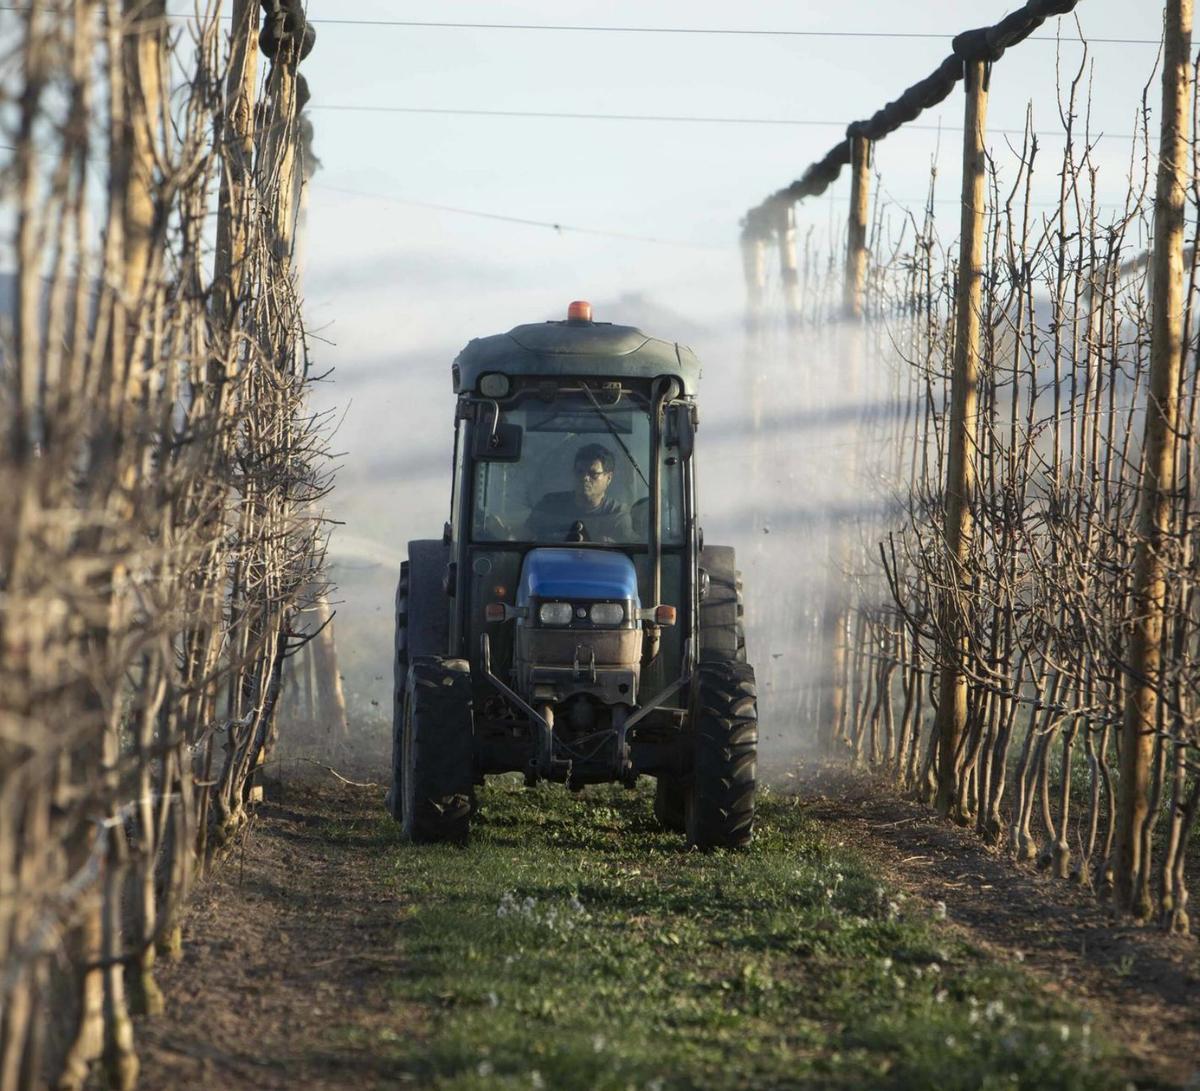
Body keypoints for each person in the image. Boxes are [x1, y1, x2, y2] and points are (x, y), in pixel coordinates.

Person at [527, 443, 633, 543]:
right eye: (580, 471)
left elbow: (630, 554)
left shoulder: (617, 517)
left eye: (593, 474)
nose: (585, 478)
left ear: (609, 478)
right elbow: (524, 536)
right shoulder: (549, 506)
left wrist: (612, 547)